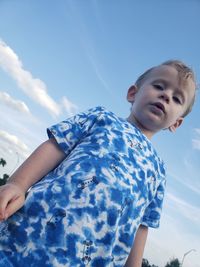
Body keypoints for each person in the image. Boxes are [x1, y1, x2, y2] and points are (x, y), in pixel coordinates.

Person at [0, 60, 196, 267]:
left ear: (176, 123)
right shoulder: (101, 118)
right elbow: (56, 146)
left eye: (177, 98)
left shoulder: (158, 170)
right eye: (159, 86)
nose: (166, 96)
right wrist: (19, 184)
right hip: (28, 235)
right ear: (132, 93)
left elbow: (142, 225)